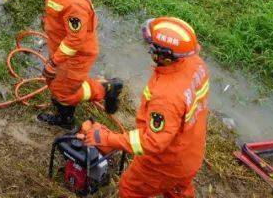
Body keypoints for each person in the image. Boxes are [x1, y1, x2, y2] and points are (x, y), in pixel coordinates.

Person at [79, 17, 210, 198]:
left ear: (165, 55)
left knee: (130, 189)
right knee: (178, 190)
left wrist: (108, 139)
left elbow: (152, 142)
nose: (150, 49)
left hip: (165, 163)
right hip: (190, 153)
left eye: (153, 46)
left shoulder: (166, 96)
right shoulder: (196, 64)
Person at [28, 0, 122, 128]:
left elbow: (74, 40)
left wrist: (54, 62)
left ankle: (70, 117)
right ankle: (101, 88)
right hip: (60, 45)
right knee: (57, 83)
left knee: (63, 92)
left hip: (75, 54)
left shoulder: (74, 4)